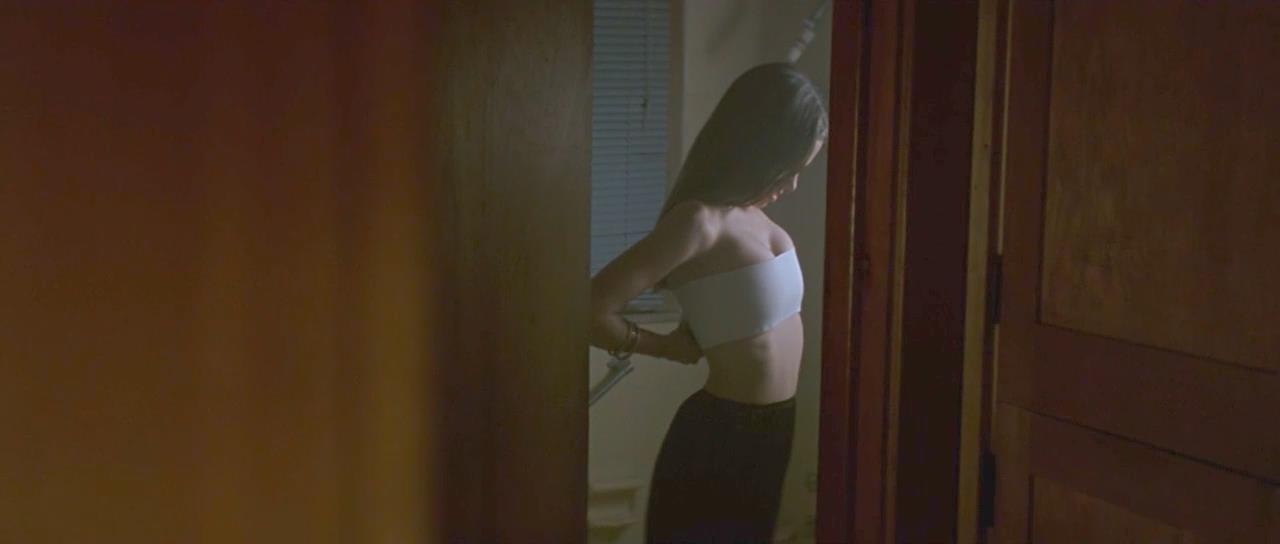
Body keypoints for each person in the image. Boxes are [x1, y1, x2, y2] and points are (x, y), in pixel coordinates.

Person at [588, 62, 828, 543]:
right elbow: (591, 308)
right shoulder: (699, 222)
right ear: (758, 147)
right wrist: (665, 348)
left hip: (775, 430)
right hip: (720, 436)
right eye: (789, 168)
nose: (792, 185)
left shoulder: (756, 218)